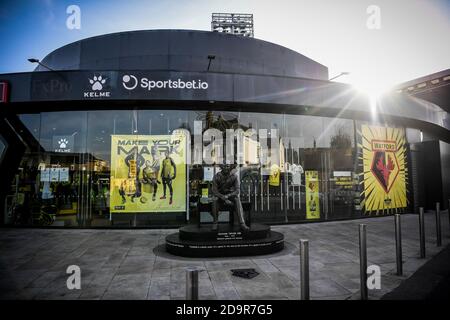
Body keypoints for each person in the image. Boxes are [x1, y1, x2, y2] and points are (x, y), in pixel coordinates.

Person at [211, 164, 249, 232]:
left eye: (228, 166)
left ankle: (242, 223)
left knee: (237, 199)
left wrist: (228, 196)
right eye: (225, 166)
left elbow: (237, 190)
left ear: (230, 167)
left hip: (230, 196)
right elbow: (214, 191)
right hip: (220, 196)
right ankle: (215, 222)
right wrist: (223, 197)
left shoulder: (234, 176)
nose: (226, 167)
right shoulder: (216, 176)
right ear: (221, 167)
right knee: (214, 199)